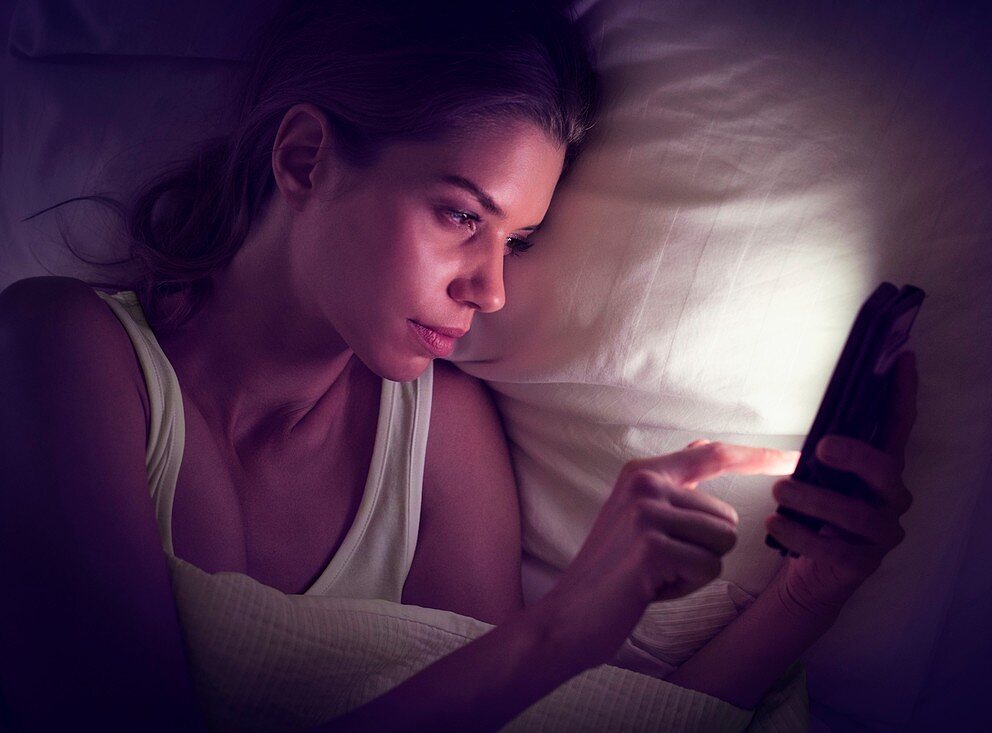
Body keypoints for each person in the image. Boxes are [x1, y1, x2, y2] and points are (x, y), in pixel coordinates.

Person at [0, 0, 918, 730]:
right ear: (307, 158)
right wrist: (562, 628)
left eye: (517, 241)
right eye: (462, 215)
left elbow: (530, 716)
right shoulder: (63, 350)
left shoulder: (441, 431)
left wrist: (810, 591)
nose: (492, 289)